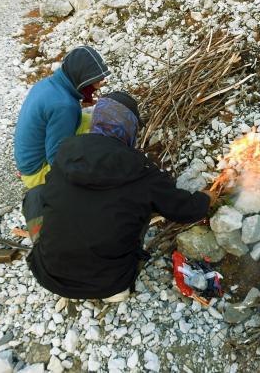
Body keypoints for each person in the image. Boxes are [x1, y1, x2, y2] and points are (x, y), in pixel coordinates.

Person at [25, 91, 216, 301]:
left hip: (48, 274)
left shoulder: (66, 152)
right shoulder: (141, 170)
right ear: (129, 126)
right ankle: (118, 292)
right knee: (141, 209)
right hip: (109, 283)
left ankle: (50, 246)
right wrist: (206, 198)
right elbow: (185, 210)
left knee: (36, 195)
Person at [14, 45, 110, 189]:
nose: (99, 84)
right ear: (80, 79)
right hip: (38, 172)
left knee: (93, 119)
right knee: (100, 140)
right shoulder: (64, 106)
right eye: (95, 80)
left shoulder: (48, 84)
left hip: (26, 161)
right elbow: (57, 158)